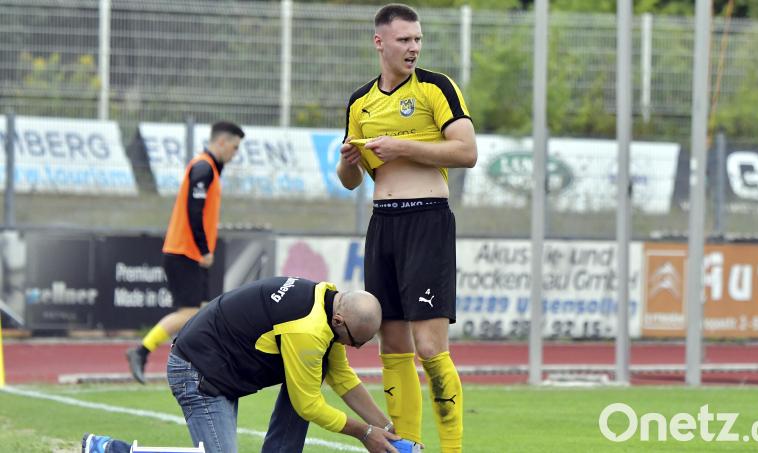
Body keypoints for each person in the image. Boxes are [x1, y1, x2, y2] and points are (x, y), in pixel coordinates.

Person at [336, 4, 477, 452]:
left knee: (431, 348)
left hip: (427, 220)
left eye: (417, 39)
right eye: (404, 40)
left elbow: (466, 152)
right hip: (384, 225)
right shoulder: (361, 101)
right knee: (391, 344)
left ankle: (452, 447)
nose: (413, 47)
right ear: (380, 42)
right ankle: (408, 446)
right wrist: (347, 163)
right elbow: (351, 181)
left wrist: (402, 145)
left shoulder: (437, 87)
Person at [85, 276, 401, 453]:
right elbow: (308, 406)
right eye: (354, 340)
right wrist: (364, 433)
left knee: (314, 371)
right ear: (339, 319)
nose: (354, 348)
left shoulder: (327, 302)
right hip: (198, 372)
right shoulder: (308, 329)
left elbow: (342, 378)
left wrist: (388, 430)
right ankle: (113, 451)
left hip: (221, 365)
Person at [127, 121, 244, 384]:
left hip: (190, 252)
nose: (235, 154)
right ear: (222, 142)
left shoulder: (210, 168)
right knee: (189, 313)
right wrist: (203, 249)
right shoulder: (203, 167)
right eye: (234, 148)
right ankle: (141, 350)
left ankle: (202, 366)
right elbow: (194, 210)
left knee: (202, 312)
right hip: (185, 252)